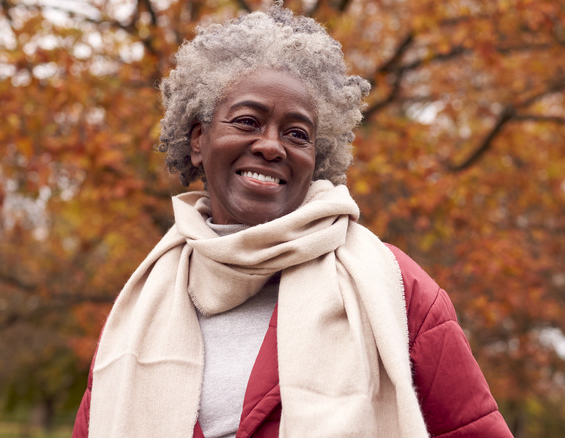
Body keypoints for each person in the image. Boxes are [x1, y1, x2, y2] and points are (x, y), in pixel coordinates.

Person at [73, 3, 512, 437]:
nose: (270, 146)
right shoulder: (138, 309)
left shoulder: (397, 289)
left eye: (296, 134)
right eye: (247, 121)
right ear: (198, 141)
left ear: (315, 160)